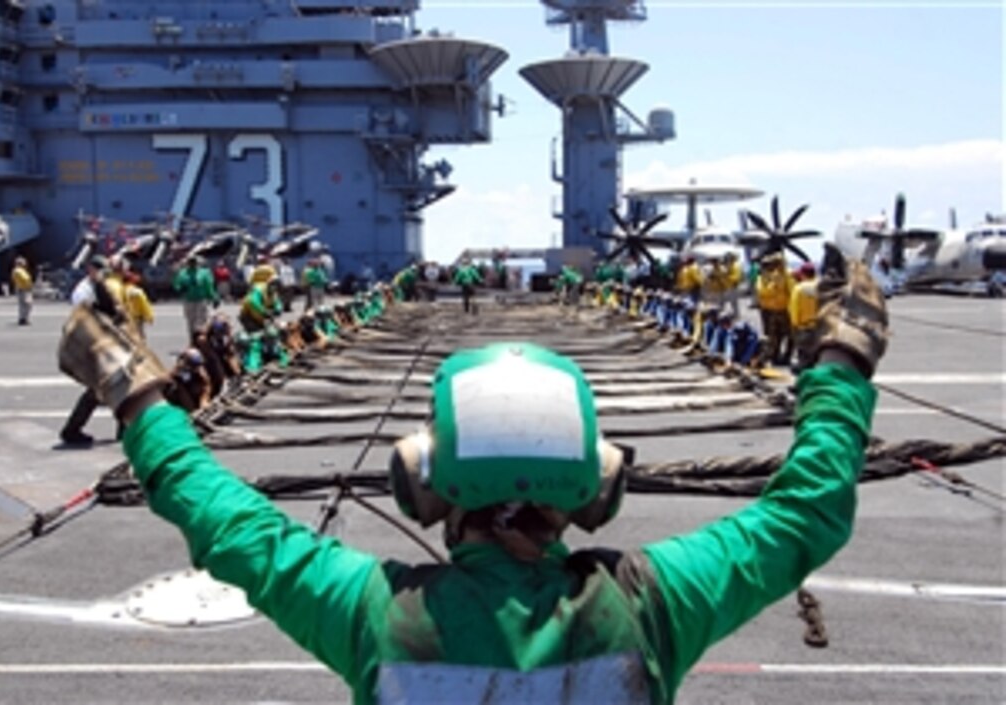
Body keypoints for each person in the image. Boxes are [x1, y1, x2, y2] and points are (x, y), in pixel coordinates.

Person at [57, 244, 888, 704]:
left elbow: (225, 519)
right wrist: (843, 360)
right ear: (595, 484)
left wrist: (140, 399)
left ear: (426, 478)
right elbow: (806, 513)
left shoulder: (374, 611)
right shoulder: (653, 603)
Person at [59, 255, 120, 446]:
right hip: (94, 345)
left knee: (104, 388)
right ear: (91, 269)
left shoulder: (99, 286)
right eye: (100, 269)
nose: (104, 274)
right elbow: (83, 320)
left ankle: (73, 429)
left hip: (105, 342)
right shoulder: (83, 291)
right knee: (105, 388)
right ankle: (71, 430)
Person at [754, 251, 795, 366]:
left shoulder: (787, 275)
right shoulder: (764, 278)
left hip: (785, 310)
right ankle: (775, 356)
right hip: (772, 311)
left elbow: (792, 292)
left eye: (773, 264)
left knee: (790, 335)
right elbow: (762, 292)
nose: (769, 267)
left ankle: (787, 356)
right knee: (774, 335)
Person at [172, 255, 219, 342]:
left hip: (201, 300)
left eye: (194, 262)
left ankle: (202, 342)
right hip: (189, 301)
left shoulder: (204, 273)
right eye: (191, 262)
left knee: (201, 322)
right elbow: (176, 284)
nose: (193, 264)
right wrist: (180, 288)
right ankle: (193, 341)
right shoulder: (183, 273)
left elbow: (209, 286)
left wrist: (214, 297)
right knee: (191, 323)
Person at [788, 261, 819, 372]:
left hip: (804, 327)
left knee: (804, 355)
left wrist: (795, 324)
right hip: (820, 327)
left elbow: (794, 308)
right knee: (816, 355)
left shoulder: (799, 288)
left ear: (803, 274)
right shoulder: (821, 286)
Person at [123, 271, 155, 340]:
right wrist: (149, 316)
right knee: (140, 336)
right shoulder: (137, 291)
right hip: (137, 317)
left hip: (125, 317)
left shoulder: (122, 290)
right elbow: (144, 305)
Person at [10, 256, 33, 325]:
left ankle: (23, 318)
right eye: (24, 262)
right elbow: (25, 279)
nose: (25, 264)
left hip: (23, 288)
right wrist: (28, 285)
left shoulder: (20, 270)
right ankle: (23, 318)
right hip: (23, 289)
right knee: (26, 304)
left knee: (24, 304)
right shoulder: (18, 270)